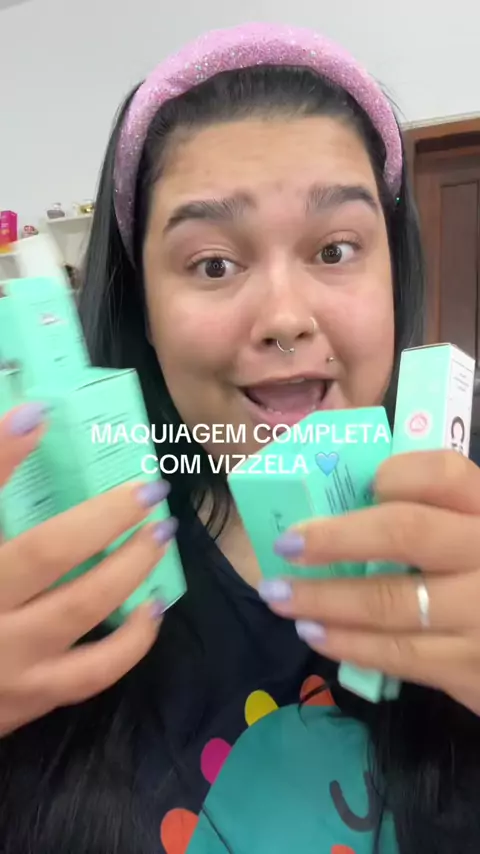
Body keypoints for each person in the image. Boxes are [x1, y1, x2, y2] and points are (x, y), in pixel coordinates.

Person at [1, 21, 480, 854]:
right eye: (214, 264)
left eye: (336, 249)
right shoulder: (43, 577)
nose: (285, 318)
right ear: (144, 312)